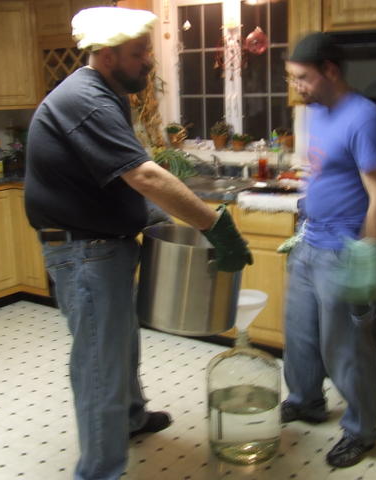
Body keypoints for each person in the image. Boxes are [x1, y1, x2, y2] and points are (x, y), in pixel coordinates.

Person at [24, 7, 252, 480]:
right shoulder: (85, 100)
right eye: (140, 53)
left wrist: (158, 220)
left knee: (121, 343)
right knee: (99, 362)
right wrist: (216, 227)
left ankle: (130, 418)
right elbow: (144, 175)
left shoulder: (107, 95)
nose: (149, 60)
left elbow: (111, 177)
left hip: (102, 245)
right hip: (84, 252)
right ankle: (98, 471)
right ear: (108, 56)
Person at [281, 32, 376, 468]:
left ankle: (362, 430)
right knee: (300, 336)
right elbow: (323, 173)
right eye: (292, 78)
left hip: (343, 250)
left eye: (303, 77)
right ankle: (306, 400)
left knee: (346, 348)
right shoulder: (317, 111)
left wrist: (371, 253)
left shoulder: (363, 118)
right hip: (309, 240)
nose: (297, 86)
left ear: (330, 70)